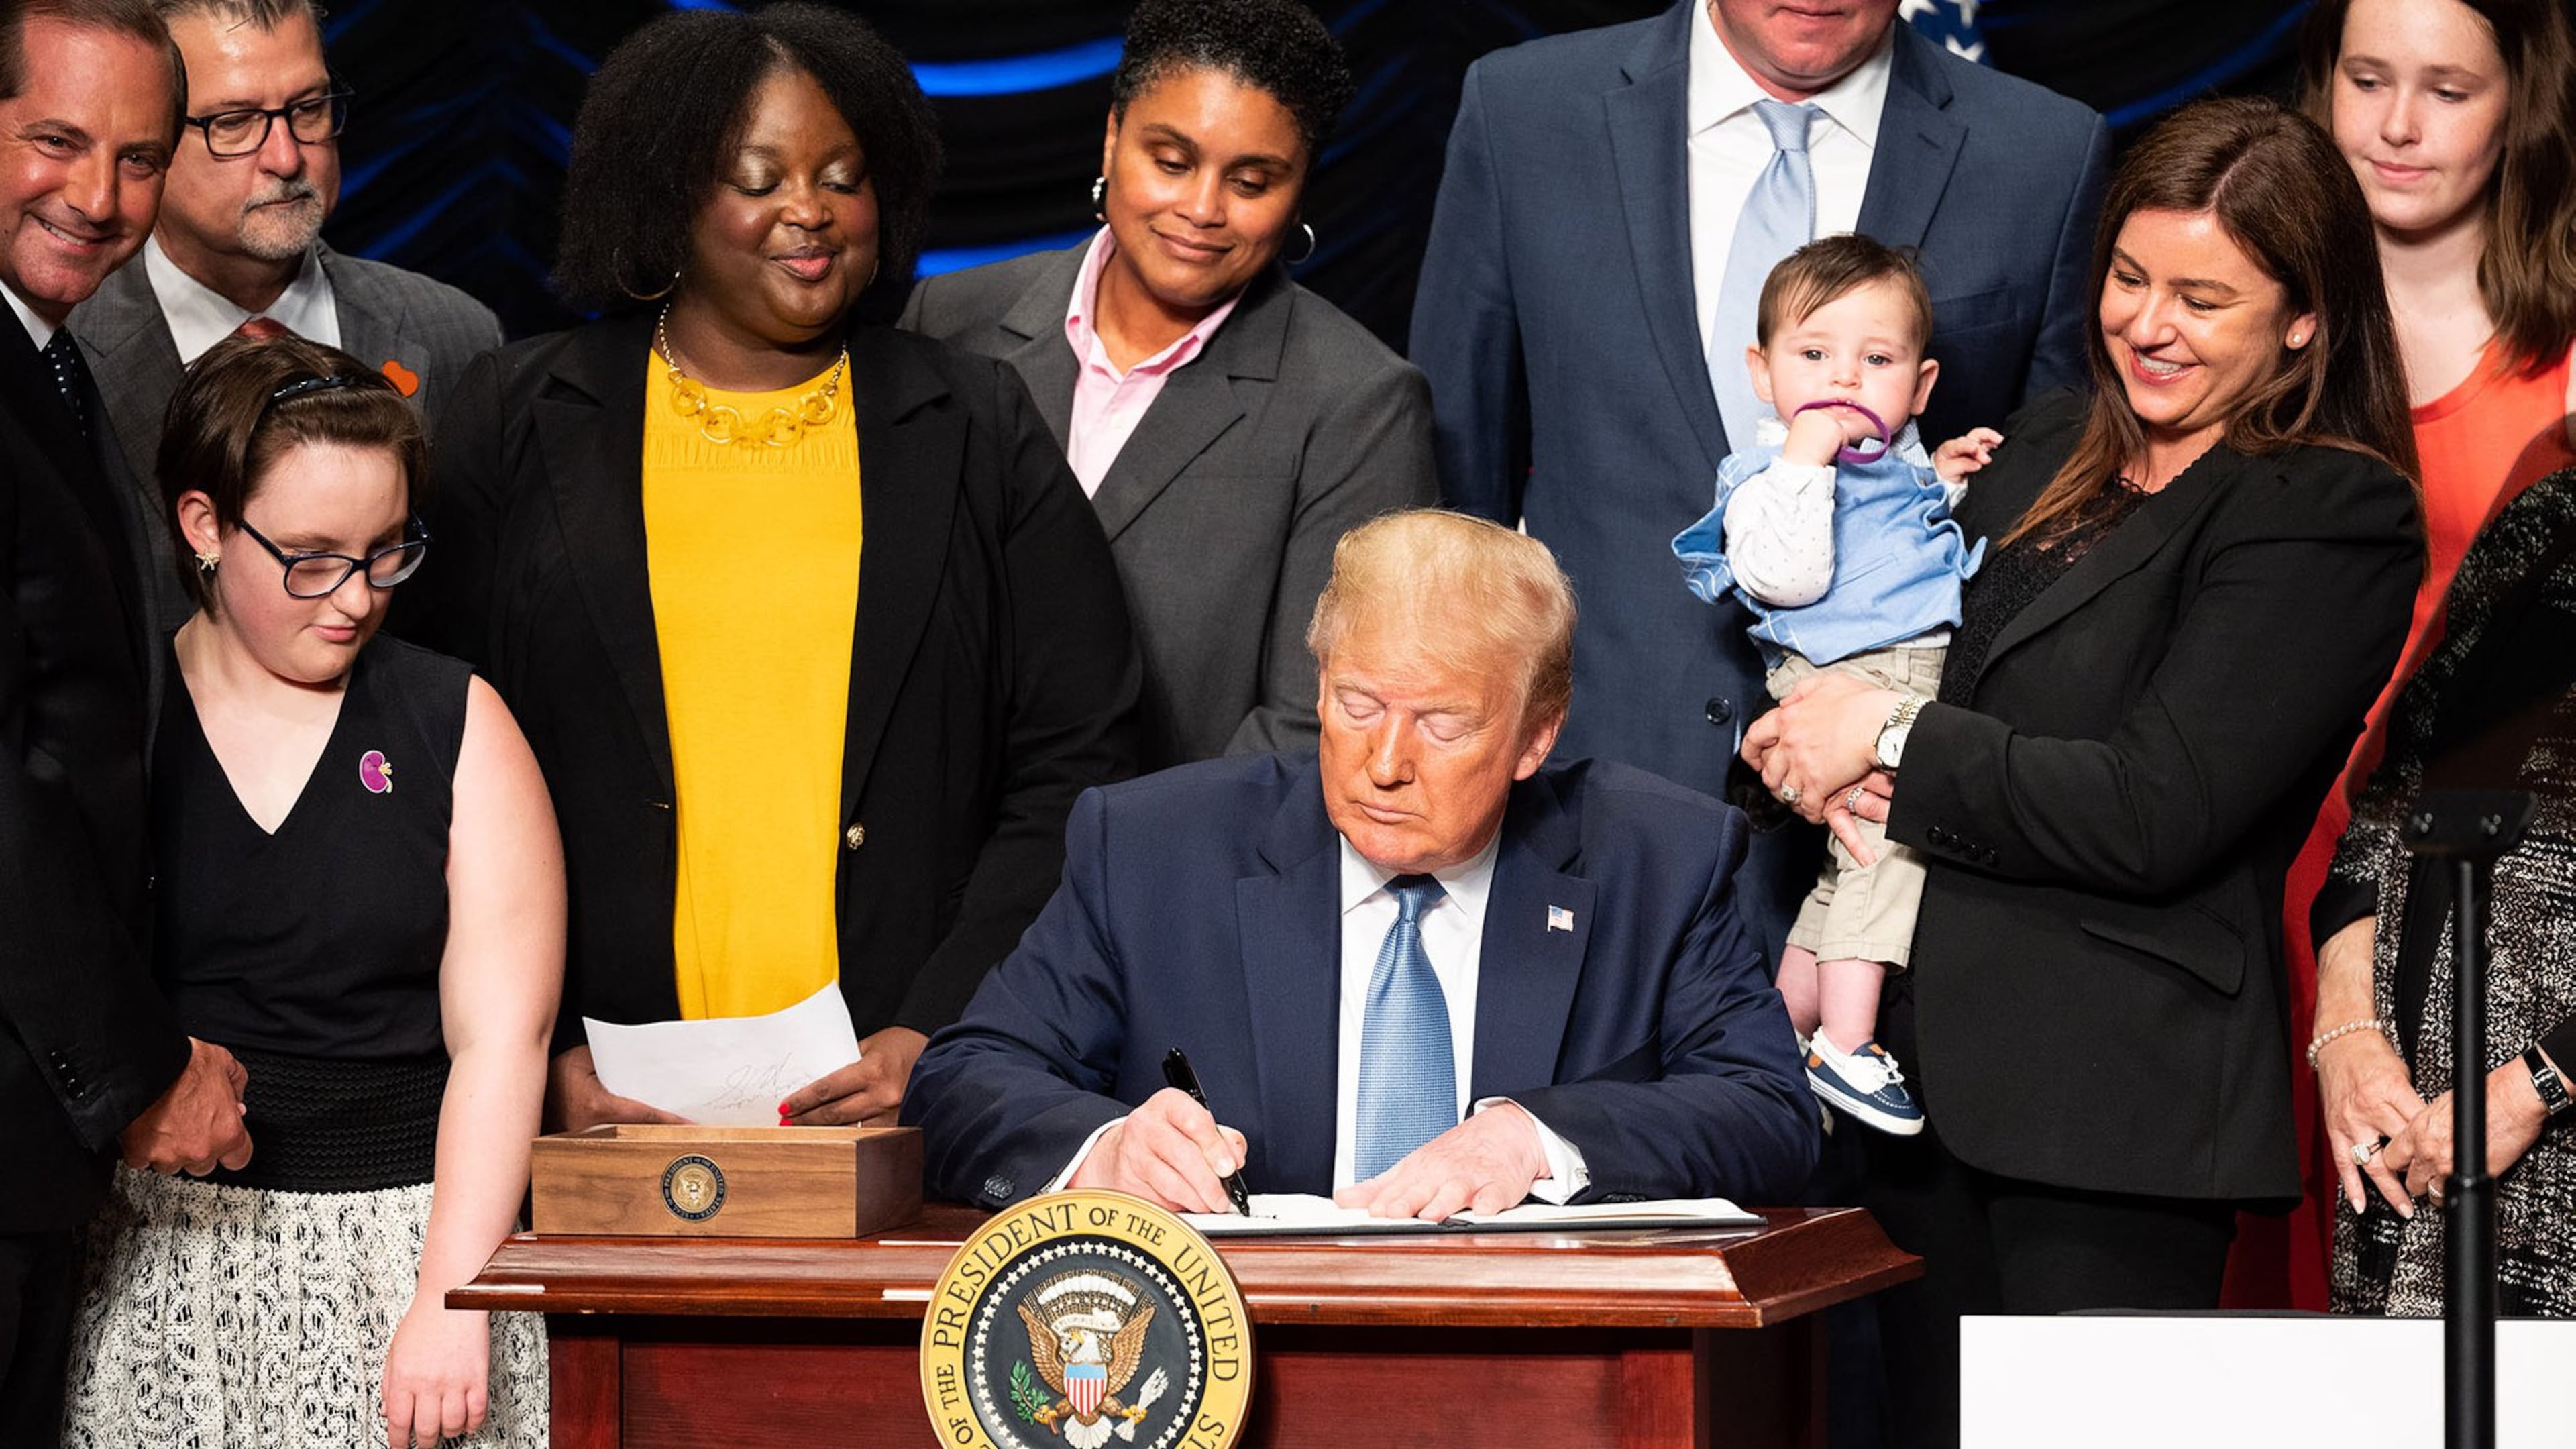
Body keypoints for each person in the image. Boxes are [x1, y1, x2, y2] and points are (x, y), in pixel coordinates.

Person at [1741, 98, 2421, 1446]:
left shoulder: (2325, 511)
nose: (2148, 323)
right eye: (2128, 278)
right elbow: (1895, 649)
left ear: (2302, 317)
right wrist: (1798, 740)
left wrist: (1880, 741)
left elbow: (2155, 807)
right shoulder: (2042, 448)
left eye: (2203, 297)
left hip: (2110, 1113)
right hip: (1912, 1094)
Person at [411, 3, 1141, 1135]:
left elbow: (1080, 755)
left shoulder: (974, 423)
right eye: (760, 177)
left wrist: (946, 1030)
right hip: (596, 1094)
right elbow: (426, 750)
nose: (810, 210)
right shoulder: (521, 414)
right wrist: (529, 1049)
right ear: (668, 199)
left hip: (898, 1102)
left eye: (843, 177)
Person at [1410, 0, 2109, 956]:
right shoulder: (1525, 110)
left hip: (1884, 843)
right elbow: (1456, 490)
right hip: (1579, 804)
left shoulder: (2043, 151)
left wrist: (1933, 751)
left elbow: (2055, 534)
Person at [906, 510, 1817, 1219]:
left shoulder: (1657, 860)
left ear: (1537, 736)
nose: (1384, 762)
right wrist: (1107, 1148)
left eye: (1442, 723)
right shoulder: (1152, 848)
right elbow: (960, 1083)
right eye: (1356, 704)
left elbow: (1770, 1114)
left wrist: (1533, 1140)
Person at [60, 335, 557, 1448]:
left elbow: (502, 1043)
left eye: (387, 552)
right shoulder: (117, 724)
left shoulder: (456, 721)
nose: (355, 599)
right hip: (160, 1256)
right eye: (313, 557)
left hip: (409, 1249)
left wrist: (451, 1299)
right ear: (203, 525)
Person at [902, 0, 1432, 771]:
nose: (1201, 210)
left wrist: (1122, 871)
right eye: (1172, 162)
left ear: (1301, 191)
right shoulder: (952, 317)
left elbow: (1311, 725)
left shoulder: (1360, 403)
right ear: (1113, 138)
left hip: (1159, 872)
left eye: (1252, 181)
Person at [2271, 0, 2576, 1299]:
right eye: (2368, 79)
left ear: (2523, 102)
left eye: (2448, 90)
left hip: (2486, 911)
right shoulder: (2243, 325)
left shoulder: (2566, 359)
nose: (2396, 129)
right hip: (2251, 883)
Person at [0, 4, 251, 1441]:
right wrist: (136, 1071)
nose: (97, 198)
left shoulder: (49, 357)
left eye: (140, 158)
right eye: (56, 140)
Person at [1671, 234, 1998, 1135]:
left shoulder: (1890, 461)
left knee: (1838, 869)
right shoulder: (1769, 480)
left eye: (1877, 360)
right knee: (1888, 854)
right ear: (1761, 370)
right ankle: (1850, 1046)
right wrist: (1807, 454)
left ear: (1920, 386)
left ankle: (1783, 1036)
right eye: (1813, 356)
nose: (1844, 380)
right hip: (1857, 678)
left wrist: (1942, 481)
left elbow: (1895, 546)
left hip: (1893, 668)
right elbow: (1788, 576)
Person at [68, 0, 504, 637]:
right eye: (235, 122)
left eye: (309, 109)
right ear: (148, 137)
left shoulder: (455, 336)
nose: (286, 157)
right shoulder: (59, 348)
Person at [2312, 466, 2576, 1317]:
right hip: (2414, 1112)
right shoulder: (2549, 511)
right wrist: (2345, 1024)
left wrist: (2536, 1085)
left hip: (2541, 1141)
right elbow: (2396, 778)